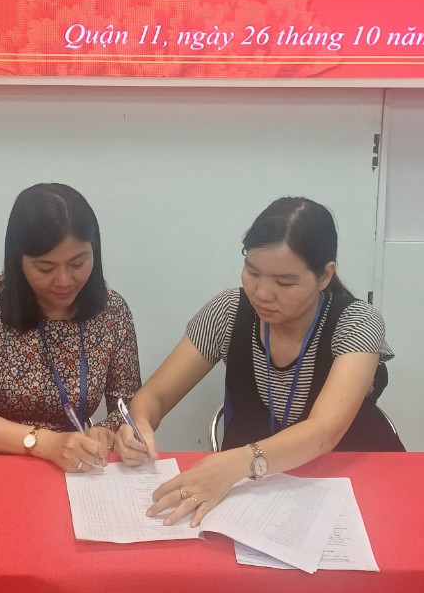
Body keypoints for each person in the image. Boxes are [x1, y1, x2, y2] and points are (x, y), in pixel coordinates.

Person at [116, 196, 402, 523]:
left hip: (351, 487)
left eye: (284, 282)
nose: (262, 293)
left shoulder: (357, 323)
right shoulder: (228, 312)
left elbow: (324, 431)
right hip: (255, 497)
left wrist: (234, 464)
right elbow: (155, 395)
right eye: (252, 272)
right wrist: (138, 424)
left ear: (325, 276)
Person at [0, 182, 141, 471]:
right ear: (19, 262)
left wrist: (108, 431)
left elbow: (128, 408)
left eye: (77, 263)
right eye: (45, 268)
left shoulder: (112, 312)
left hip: (70, 469)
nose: (64, 280)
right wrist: (44, 443)